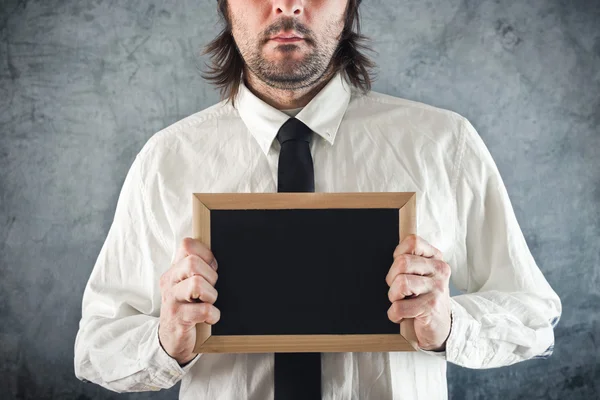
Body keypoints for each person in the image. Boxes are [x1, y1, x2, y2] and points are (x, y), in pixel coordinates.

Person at [74, 0, 562, 399]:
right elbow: (97, 347)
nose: (288, 5)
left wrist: (450, 323)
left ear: (350, 6)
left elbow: (534, 317)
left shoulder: (443, 144)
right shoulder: (167, 159)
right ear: (225, 5)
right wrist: (167, 340)